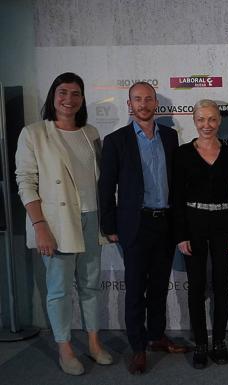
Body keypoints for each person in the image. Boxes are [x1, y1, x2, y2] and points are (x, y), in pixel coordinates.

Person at [15, 72, 112, 375]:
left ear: (82, 99)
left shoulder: (91, 132)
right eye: (63, 92)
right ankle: (65, 348)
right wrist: (40, 225)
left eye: (76, 94)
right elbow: (26, 183)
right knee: (58, 289)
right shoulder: (34, 134)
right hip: (56, 223)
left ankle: (94, 343)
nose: (69, 99)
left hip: (92, 218)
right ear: (53, 96)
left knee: (91, 286)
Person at [98, 81, 185, 375]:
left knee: (159, 286)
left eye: (149, 99)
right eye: (138, 99)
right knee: (136, 289)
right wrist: (109, 226)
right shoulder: (116, 141)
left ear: (155, 104)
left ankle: (156, 336)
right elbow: (106, 187)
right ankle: (137, 347)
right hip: (135, 226)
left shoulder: (171, 137)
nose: (144, 104)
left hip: (166, 222)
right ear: (129, 105)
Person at [173, 99, 228, 368]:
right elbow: (176, 197)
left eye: (212, 119)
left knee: (222, 286)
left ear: (219, 120)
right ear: (194, 120)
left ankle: (219, 341)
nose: (207, 125)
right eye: (201, 119)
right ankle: (200, 342)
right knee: (197, 287)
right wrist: (180, 234)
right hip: (194, 223)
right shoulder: (181, 154)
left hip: (225, 223)